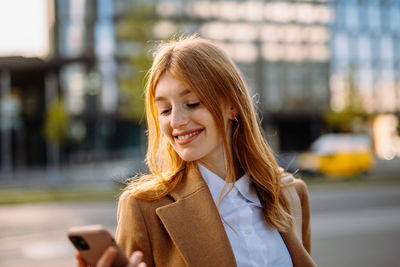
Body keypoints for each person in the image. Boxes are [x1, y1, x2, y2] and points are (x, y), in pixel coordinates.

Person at [77, 35, 317, 267]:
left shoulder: (291, 193)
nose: (177, 121)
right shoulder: (142, 209)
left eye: (192, 103)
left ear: (232, 106)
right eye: (165, 110)